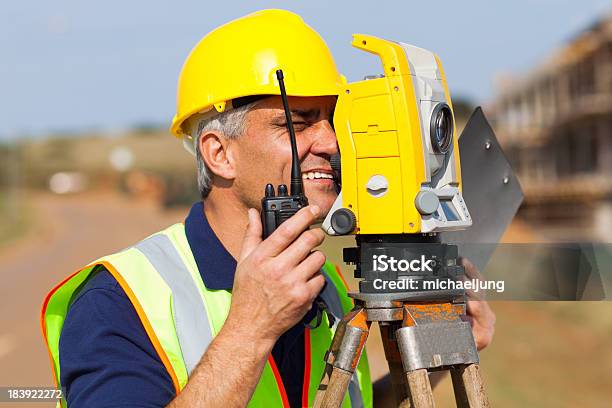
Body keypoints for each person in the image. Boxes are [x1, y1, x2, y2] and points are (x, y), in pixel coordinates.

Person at [41, 9, 496, 408]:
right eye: (295, 125)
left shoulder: (326, 286)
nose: (330, 143)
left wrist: (434, 363)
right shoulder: (118, 302)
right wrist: (250, 330)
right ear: (220, 154)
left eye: (331, 121)